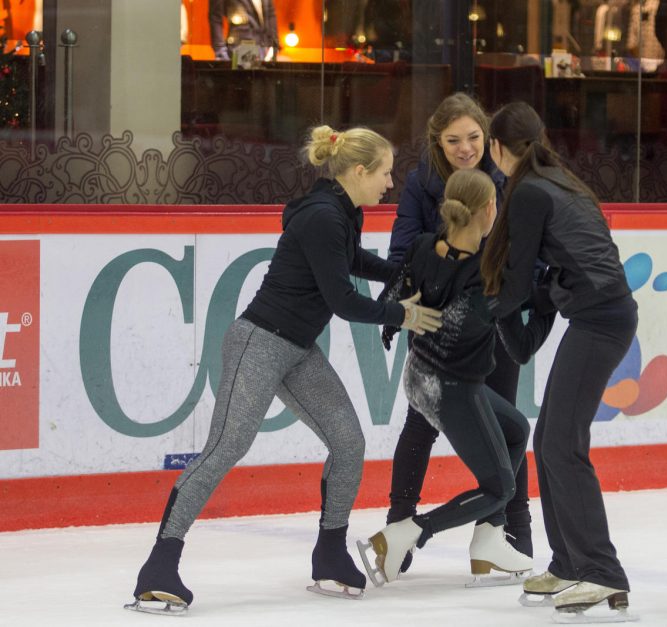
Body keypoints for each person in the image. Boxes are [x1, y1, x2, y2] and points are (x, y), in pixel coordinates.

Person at [125, 126, 442, 614]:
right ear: (359, 171)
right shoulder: (321, 216)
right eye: (383, 173)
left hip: (296, 349)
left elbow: (350, 260)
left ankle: (330, 553)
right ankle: (159, 565)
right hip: (259, 343)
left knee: (348, 441)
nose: (389, 183)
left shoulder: (342, 211)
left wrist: (401, 274)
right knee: (227, 446)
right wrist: (402, 312)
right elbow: (340, 299)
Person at [480, 102, 639, 621]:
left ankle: (602, 571)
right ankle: (570, 562)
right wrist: (511, 317)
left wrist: (484, 311)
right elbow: (545, 283)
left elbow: (521, 280)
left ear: (498, 149)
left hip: (600, 321)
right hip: (599, 317)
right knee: (551, 441)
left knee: (562, 446)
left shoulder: (528, 191)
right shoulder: (562, 181)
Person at [359, 168, 551, 586]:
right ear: (488, 209)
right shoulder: (485, 276)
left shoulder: (425, 245)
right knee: (499, 487)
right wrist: (547, 306)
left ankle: (488, 538)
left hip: (420, 375)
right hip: (449, 387)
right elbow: (516, 343)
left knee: (515, 430)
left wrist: (402, 319)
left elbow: (393, 294)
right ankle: (404, 534)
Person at [384, 93, 535, 569]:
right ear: (438, 143)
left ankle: (505, 531)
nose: (465, 148)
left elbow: (529, 252)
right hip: (439, 331)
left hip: (494, 326)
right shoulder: (421, 185)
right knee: (421, 425)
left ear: (487, 139)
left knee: (508, 425)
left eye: (473, 138)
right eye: (454, 141)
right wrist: (402, 306)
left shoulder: (510, 182)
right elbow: (403, 251)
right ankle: (400, 523)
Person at [210, 0, 279, 62]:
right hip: (240, 48)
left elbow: (270, 13)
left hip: (265, 50)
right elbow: (215, 17)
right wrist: (220, 51)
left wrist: (274, 45)